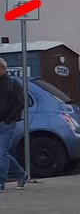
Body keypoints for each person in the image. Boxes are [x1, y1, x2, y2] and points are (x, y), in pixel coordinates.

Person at [0, 59, 28, 192]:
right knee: (2, 153)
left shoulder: (12, 83)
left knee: (1, 152)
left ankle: (0, 183)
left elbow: (20, 102)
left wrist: (8, 120)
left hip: (7, 124)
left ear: (2, 69)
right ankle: (21, 174)